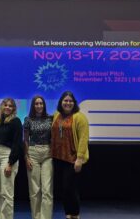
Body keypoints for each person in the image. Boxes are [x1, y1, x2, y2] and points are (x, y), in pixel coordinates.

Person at [51, 91, 89, 219]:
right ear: (61, 102)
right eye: (65, 101)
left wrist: (79, 158)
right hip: (58, 157)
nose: (68, 103)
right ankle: (68, 213)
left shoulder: (79, 117)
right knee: (63, 188)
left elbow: (84, 138)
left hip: (72, 159)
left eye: (70, 101)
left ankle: (75, 213)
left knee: (70, 188)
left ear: (74, 103)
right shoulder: (57, 115)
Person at [0, 98, 23, 219]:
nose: (8, 107)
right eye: (5, 105)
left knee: (7, 193)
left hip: (7, 156)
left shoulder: (16, 121)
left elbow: (18, 144)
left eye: (11, 106)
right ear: (1, 107)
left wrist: (10, 163)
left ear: (14, 109)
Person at [23, 95, 53, 219]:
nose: (39, 106)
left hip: (47, 153)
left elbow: (54, 137)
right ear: (33, 105)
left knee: (47, 190)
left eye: (41, 103)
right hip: (33, 153)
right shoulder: (28, 119)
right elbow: (25, 140)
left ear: (44, 105)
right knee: (34, 190)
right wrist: (26, 157)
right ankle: (36, 216)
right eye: (36, 104)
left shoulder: (51, 118)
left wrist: (52, 149)